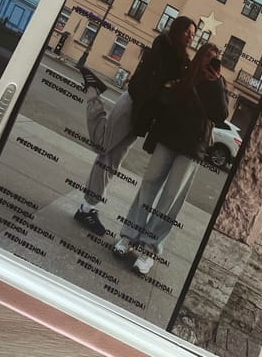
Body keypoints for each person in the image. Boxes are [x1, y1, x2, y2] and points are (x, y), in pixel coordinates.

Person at [73, 16, 196, 237]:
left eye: (194, 35)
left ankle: (87, 208)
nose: (191, 37)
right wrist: (165, 90)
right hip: (133, 106)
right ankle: (92, 92)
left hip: (141, 116)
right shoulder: (163, 49)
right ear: (178, 30)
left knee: (111, 159)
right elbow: (151, 86)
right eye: (188, 32)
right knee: (102, 146)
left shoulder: (179, 58)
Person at [112, 42, 228, 276]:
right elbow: (165, 102)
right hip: (168, 138)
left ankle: (149, 249)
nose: (209, 60)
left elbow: (221, 115)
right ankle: (128, 236)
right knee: (148, 186)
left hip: (192, 147)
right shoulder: (185, 74)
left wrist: (215, 84)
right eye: (206, 54)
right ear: (199, 56)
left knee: (170, 199)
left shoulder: (219, 84)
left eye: (214, 57)